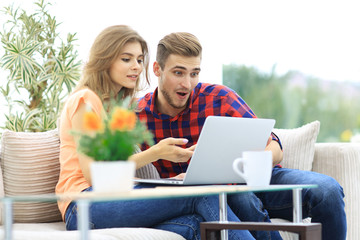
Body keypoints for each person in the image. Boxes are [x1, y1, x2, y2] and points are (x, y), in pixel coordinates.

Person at [137, 32, 347, 240]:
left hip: (260, 180)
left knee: (328, 190)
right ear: (157, 69)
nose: (187, 84)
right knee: (239, 197)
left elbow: (275, 147)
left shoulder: (219, 98)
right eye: (178, 73)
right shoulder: (139, 117)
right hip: (214, 196)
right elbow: (116, 167)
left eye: (194, 73)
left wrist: (257, 161)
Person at [55, 25, 258, 240]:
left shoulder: (116, 110)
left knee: (199, 225)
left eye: (139, 60)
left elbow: (116, 173)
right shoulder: (85, 100)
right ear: (104, 60)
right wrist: (156, 152)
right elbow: (94, 174)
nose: (136, 67)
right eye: (126, 59)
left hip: (110, 198)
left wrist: (172, 183)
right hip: (83, 206)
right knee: (203, 192)